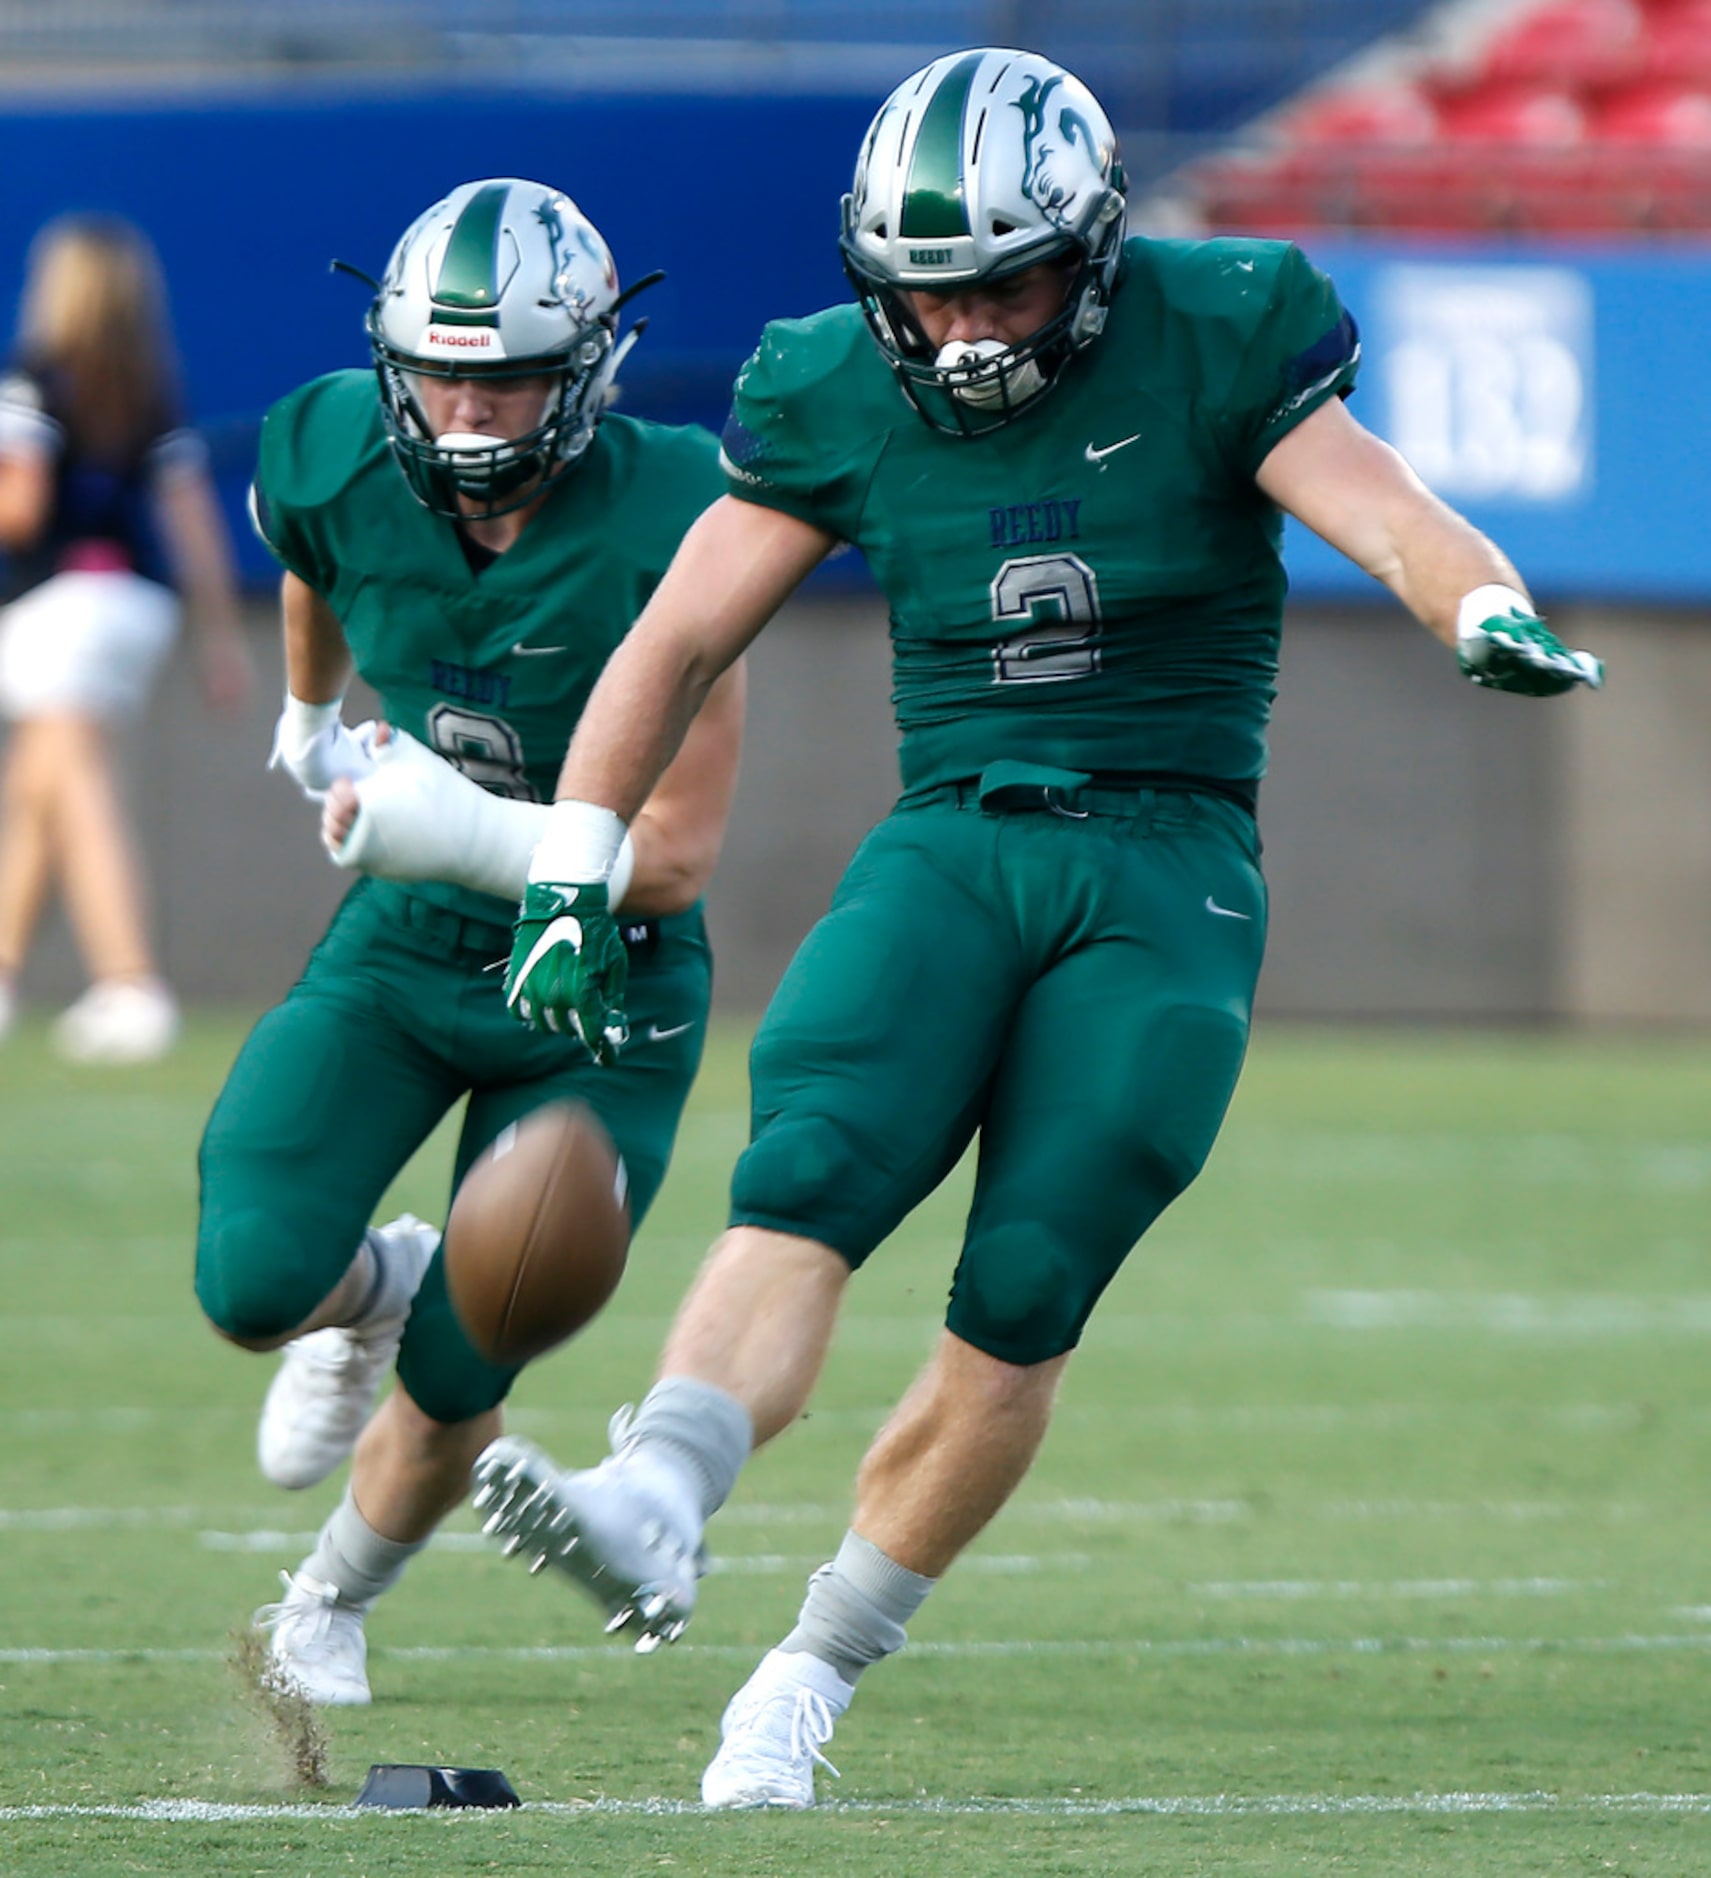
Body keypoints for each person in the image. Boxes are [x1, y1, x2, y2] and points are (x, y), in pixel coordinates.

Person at [471, 49, 1605, 1806]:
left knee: (1027, 1278)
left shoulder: (1222, 326)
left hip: (1167, 864)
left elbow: (1378, 504)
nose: (969, 325)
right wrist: (567, 864)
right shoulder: (836, 385)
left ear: (1092, 243)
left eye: (1006, 276)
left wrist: (1482, 604)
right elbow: (673, 639)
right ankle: (658, 1492)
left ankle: (809, 1669)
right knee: (815, 1157)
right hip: (956, 836)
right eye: (930, 290)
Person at [193, 176, 743, 1706]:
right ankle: (368, 1285)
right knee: (247, 1276)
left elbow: (679, 849)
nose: (466, 408)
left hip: (597, 983)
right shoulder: (330, 446)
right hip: (406, 940)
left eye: (503, 374)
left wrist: (459, 828)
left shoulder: (675, 502)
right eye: (439, 372)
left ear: (584, 371)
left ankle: (326, 1601)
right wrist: (311, 719)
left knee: (468, 1352)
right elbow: (305, 541)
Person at [0, 213, 250, 1060]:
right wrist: (221, 640)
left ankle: (130, 982)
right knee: (38, 783)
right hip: (136, 608)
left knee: (75, 786)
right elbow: (192, 524)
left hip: (55, 606)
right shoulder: (147, 389)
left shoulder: (31, 384)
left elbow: (21, 509)